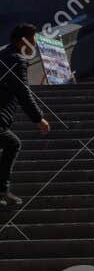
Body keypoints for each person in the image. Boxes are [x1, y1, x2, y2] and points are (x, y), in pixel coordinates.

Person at [0, 24, 50, 206]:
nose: (35, 46)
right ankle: (2, 190)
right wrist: (39, 118)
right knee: (12, 143)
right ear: (24, 41)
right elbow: (23, 92)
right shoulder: (16, 60)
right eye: (34, 40)